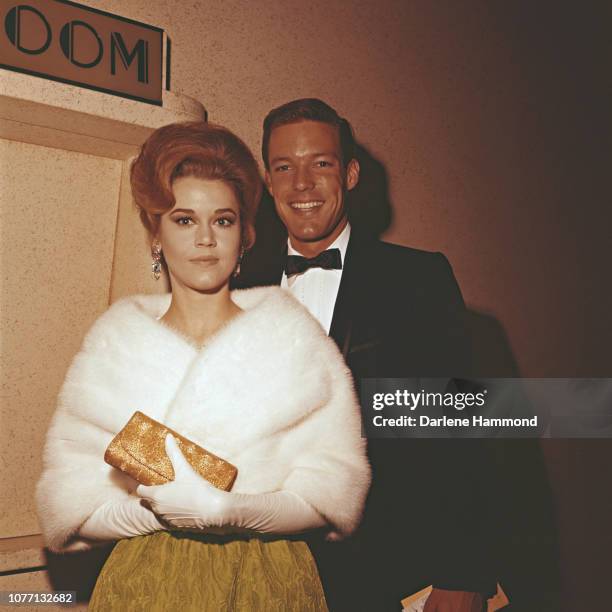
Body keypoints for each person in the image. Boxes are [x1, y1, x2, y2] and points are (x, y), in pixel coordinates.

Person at [35, 121, 371, 611]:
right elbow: (72, 505)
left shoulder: (294, 338)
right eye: (185, 220)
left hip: (268, 581)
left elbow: (332, 499)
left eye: (224, 220)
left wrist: (230, 511)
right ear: (156, 233)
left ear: (245, 235)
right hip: (144, 583)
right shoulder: (116, 342)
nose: (206, 239)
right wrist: (152, 516)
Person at [235, 98, 497, 611]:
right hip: (266, 573)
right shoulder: (237, 286)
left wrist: (462, 572)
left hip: (389, 574)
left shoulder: (419, 280)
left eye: (321, 164)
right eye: (284, 167)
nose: (302, 184)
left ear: (351, 174)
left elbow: (464, 432)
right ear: (267, 181)